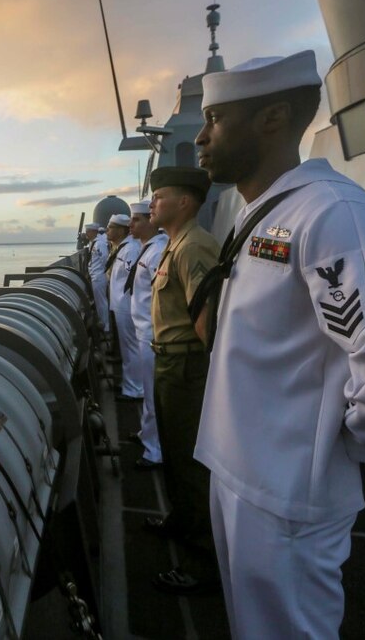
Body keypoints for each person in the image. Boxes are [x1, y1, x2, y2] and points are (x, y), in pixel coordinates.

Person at [192, 50, 365, 637]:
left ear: (273, 117)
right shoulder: (262, 214)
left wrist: (335, 444)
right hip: (239, 471)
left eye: (214, 118)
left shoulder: (332, 214)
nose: (200, 137)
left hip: (288, 494)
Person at [146, 166, 221, 594]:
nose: (153, 203)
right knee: (175, 454)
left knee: (192, 463)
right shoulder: (175, 244)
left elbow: (206, 322)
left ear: (185, 203)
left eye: (161, 197)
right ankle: (182, 521)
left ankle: (204, 558)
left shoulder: (193, 247)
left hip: (186, 368)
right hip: (169, 365)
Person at [126, 200, 168, 469]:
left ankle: (155, 451)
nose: (132, 225)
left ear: (150, 222)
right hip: (142, 331)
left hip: (153, 334)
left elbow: (161, 296)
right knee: (148, 390)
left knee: (153, 395)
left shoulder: (158, 251)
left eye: (137, 220)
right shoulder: (147, 248)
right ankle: (146, 434)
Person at [107, 213, 143, 400]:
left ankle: (135, 389)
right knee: (127, 348)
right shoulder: (123, 248)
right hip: (120, 304)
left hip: (127, 305)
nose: (107, 231)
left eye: (111, 227)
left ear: (121, 230)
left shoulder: (131, 250)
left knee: (131, 347)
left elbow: (134, 281)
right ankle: (130, 383)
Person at [84, 222, 112, 334]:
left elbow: (105, 258)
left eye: (88, 231)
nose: (86, 234)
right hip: (96, 275)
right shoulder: (93, 243)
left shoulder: (99, 244)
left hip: (99, 276)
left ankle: (105, 326)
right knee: (99, 301)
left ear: (94, 232)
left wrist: (103, 272)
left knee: (101, 302)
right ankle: (103, 322)